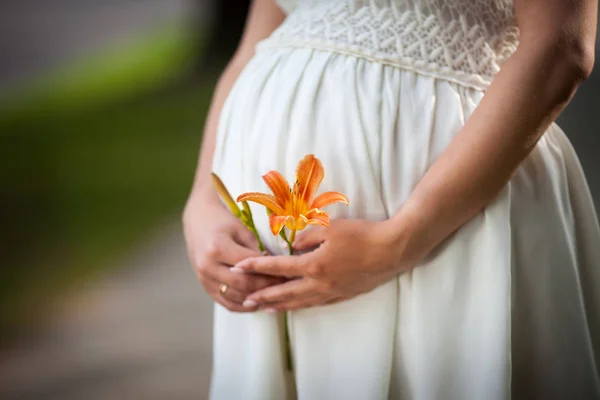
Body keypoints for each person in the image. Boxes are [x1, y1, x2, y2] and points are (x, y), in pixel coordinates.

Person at [183, 0, 600, 398]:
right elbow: (250, 50)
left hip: (449, 224)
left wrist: (400, 241)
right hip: (275, 274)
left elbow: (561, 47)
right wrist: (201, 201)